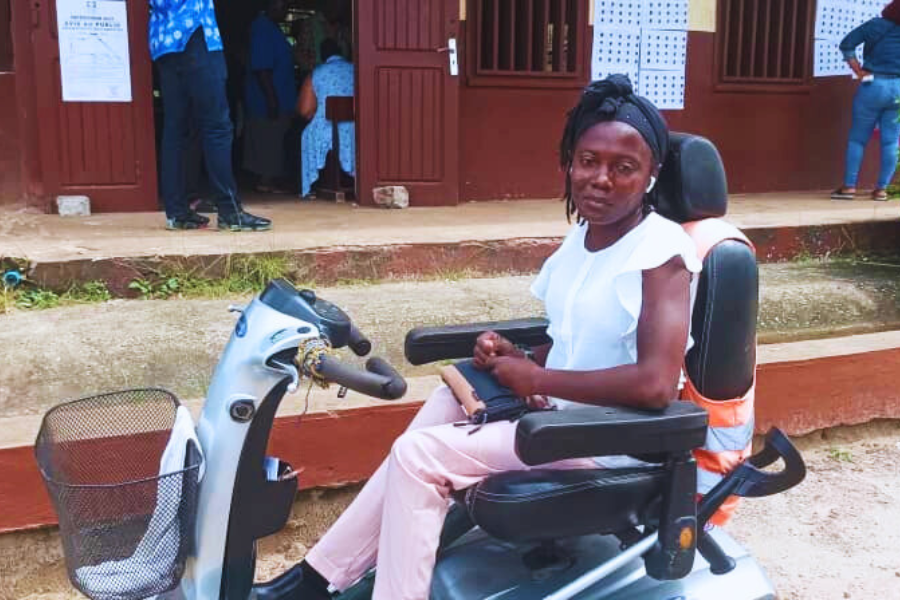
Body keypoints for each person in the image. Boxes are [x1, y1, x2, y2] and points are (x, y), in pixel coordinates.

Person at [283, 74, 702, 599]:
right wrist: (516, 355)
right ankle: (315, 580)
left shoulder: (660, 252)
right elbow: (572, 341)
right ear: (569, 162)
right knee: (445, 399)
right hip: (563, 419)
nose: (600, 179)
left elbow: (656, 384)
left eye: (624, 168)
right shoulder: (584, 240)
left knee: (419, 458)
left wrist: (539, 376)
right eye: (588, 161)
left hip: (610, 443)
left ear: (651, 176)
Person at [150, 0, 272, 231]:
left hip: (164, 40)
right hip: (195, 33)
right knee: (217, 126)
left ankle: (177, 213)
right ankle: (229, 211)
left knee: (176, 129)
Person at [832, 0, 900, 201]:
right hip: (898, 89)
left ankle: (849, 187)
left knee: (857, 139)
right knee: (891, 142)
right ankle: (881, 190)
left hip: (872, 83)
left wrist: (858, 71)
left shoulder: (875, 25)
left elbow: (847, 45)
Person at [243, 0, 297, 193]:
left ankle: (269, 180)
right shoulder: (262, 27)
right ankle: (266, 181)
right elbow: (262, 68)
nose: (285, 10)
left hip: (279, 96)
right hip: (267, 99)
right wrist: (272, 99)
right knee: (268, 140)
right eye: (282, 6)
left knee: (274, 139)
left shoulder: (272, 28)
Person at [297, 39, 355, 198]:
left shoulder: (317, 72)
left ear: (322, 56)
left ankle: (312, 186)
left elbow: (305, 111)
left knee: (305, 134)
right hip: (357, 130)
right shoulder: (357, 70)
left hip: (327, 131)